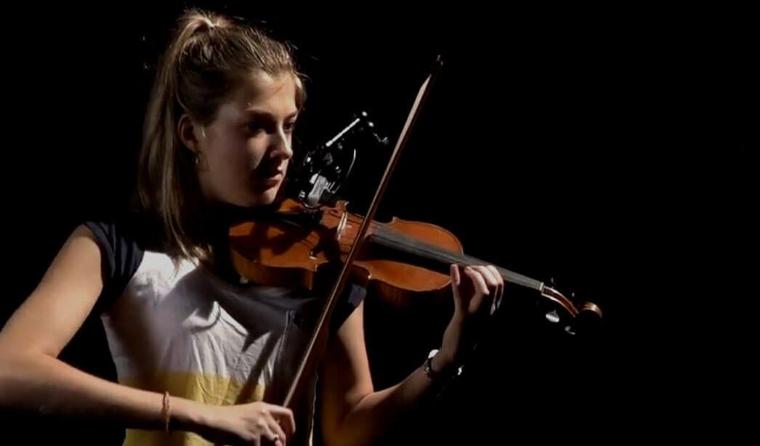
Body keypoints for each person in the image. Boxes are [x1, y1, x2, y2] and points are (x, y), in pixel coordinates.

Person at [0, 9, 503, 446]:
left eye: (289, 124)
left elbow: (350, 427)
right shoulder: (117, 248)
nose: (284, 149)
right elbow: (10, 370)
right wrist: (198, 416)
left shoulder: (323, 262)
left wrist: (446, 359)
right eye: (257, 126)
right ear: (191, 133)